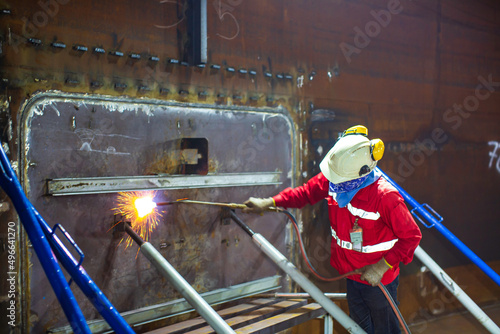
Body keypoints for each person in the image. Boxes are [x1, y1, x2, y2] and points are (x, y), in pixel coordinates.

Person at [243, 125, 422, 334]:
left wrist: (382, 267)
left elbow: (412, 236)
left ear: (361, 173)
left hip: (379, 281)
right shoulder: (337, 178)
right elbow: (305, 193)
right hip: (352, 276)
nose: (332, 184)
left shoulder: (385, 197)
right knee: (360, 330)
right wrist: (270, 202)